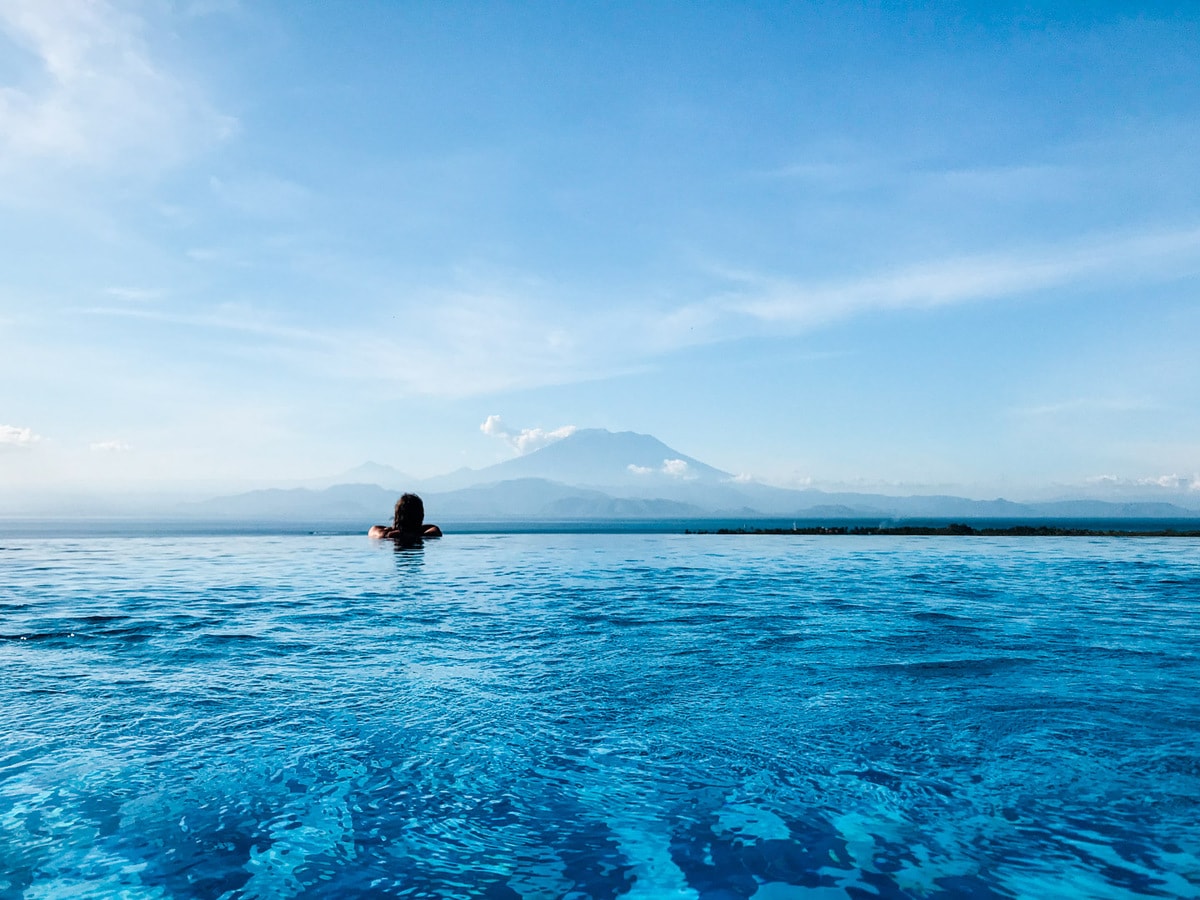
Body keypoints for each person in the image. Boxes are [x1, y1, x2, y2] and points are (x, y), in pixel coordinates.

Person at [368, 493, 442, 540]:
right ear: (421, 516)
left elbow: (373, 531)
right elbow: (435, 531)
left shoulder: (386, 533)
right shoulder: (424, 533)